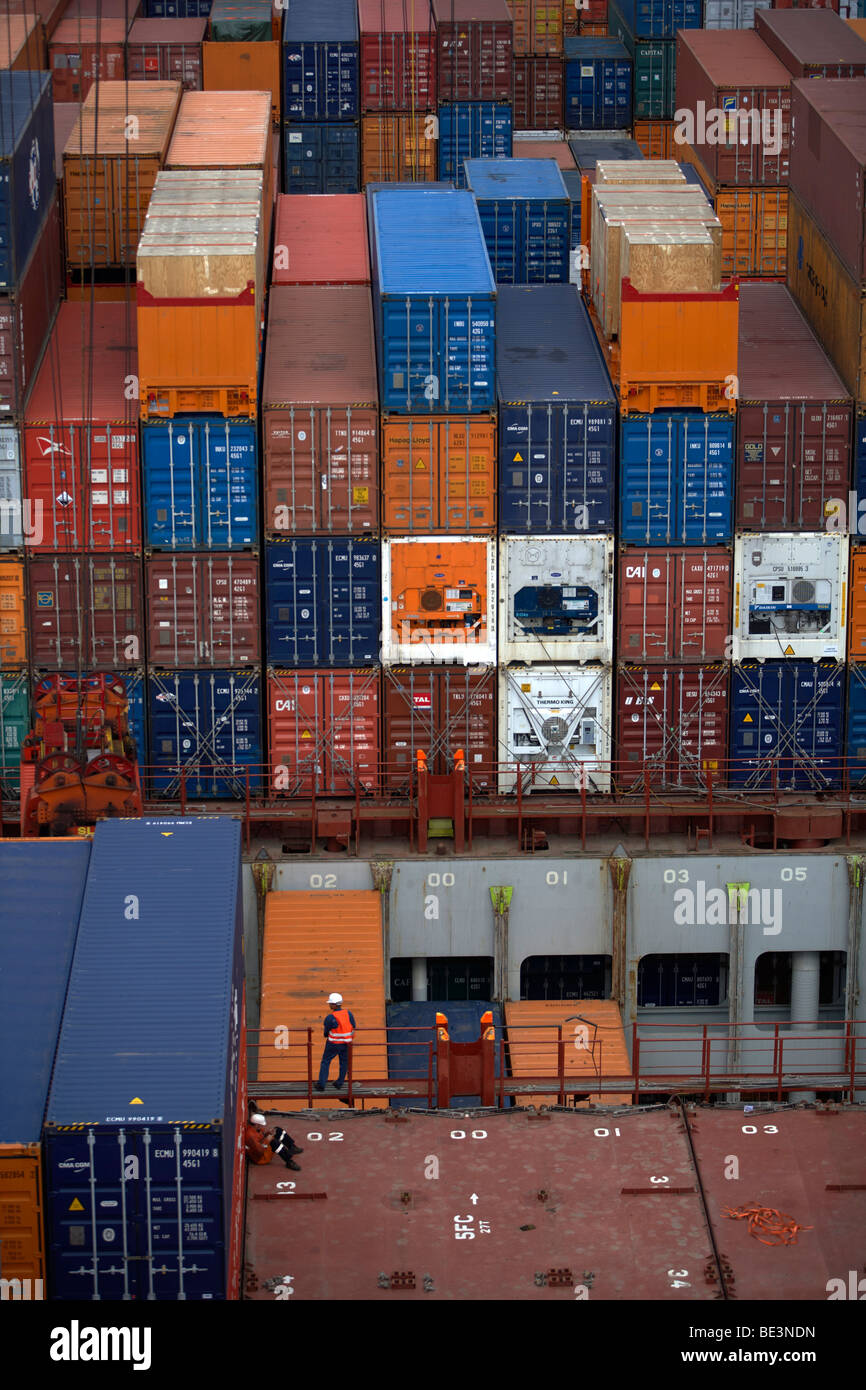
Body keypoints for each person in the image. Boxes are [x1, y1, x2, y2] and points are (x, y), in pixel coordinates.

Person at [314, 991, 356, 1092]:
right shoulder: (348, 1013)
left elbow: (325, 1033)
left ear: (333, 1004)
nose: (329, 1005)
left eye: (330, 1003)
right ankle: (339, 1083)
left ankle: (321, 1084)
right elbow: (353, 1026)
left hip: (333, 1044)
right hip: (346, 1043)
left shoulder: (330, 1017)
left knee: (325, 1062)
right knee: (344, 1062)